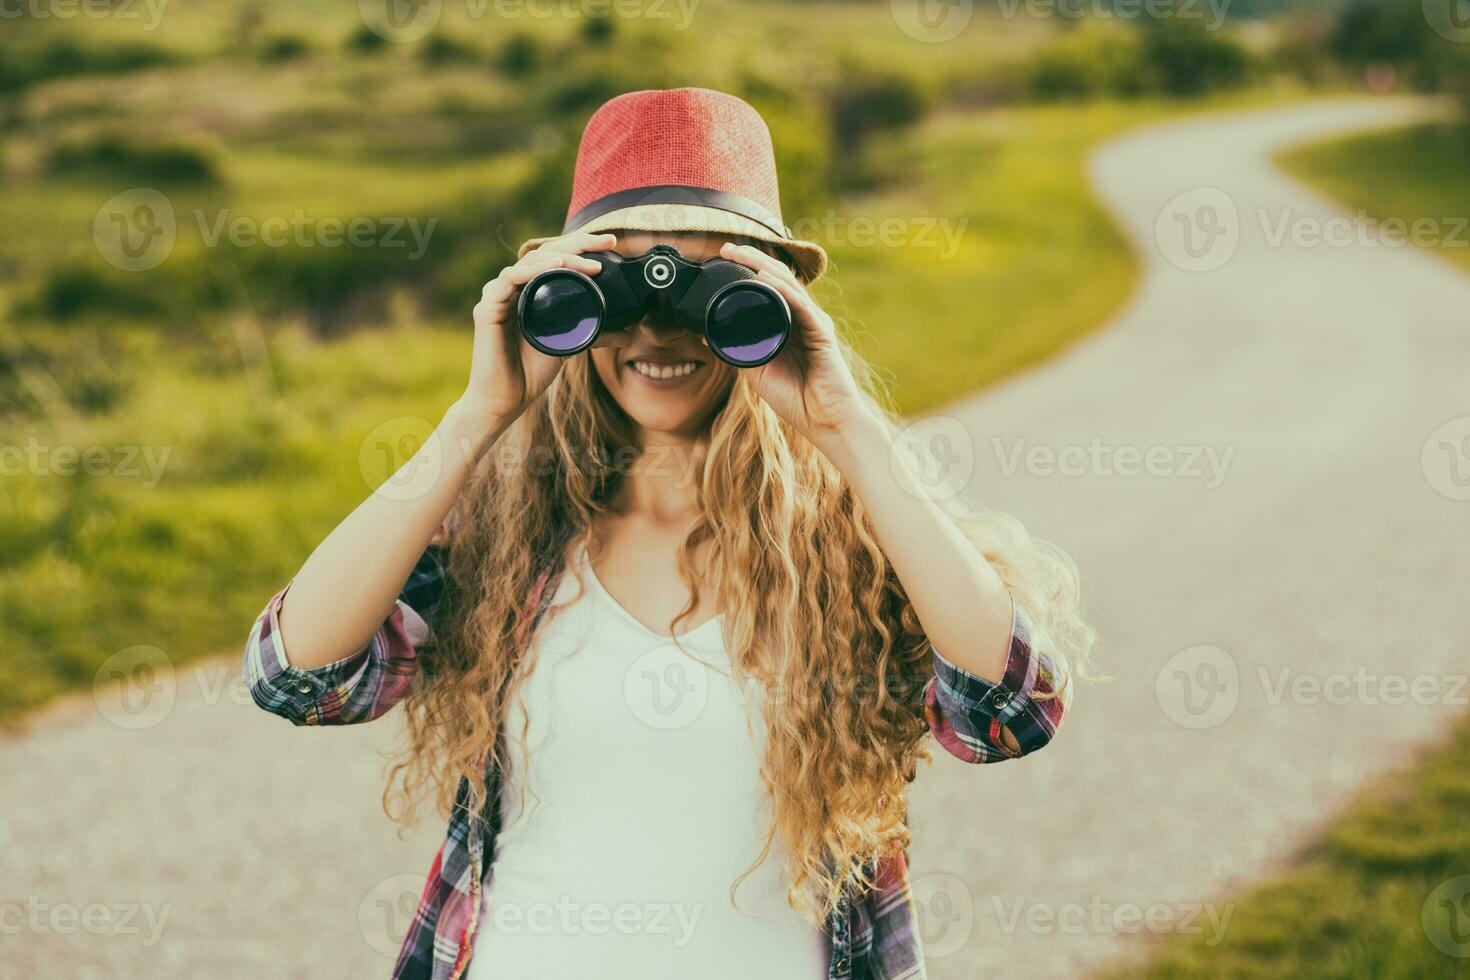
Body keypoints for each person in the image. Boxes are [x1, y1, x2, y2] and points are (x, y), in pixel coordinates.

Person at [243, 87, 1092, 980]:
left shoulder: (845, 540)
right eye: (619, 286)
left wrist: (848, 431)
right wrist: (476, 417)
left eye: (707, 288)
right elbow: (295, 678)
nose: (660, 327)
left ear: (775, 301)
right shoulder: (499, 533)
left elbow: (1012, 711)